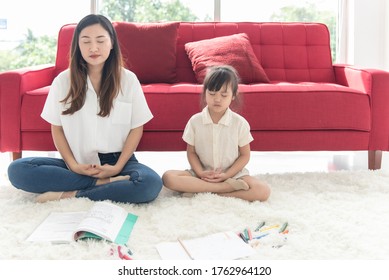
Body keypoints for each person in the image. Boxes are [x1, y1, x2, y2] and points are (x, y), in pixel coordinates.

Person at [7, 14, 163, 203]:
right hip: (78, 163)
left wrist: (117, 167)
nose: (93, 48)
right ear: (77, 46)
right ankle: (104, 184)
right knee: (17, 170)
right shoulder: (63, 82)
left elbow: (136, 127)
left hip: (119, 163)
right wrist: (73, 165)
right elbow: (57, 128)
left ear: (112, 43)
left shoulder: (128, 80)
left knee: (150, 184)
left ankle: (73, 193)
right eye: (86, 41)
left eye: (100, 40)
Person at [162, 65, 271, 202]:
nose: (217, 99)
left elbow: (245, 155)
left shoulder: (240, 123)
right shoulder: (195, 121)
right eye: (212, 94)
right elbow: (191, 152)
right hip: (202, 175)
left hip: (234, 176)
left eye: (224, 95)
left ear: (233, 96)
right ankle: (223, 189)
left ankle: (205, 192)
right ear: (205, 93)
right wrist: (201, 172)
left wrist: (226, 175)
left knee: (263, 191)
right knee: (168, 177)